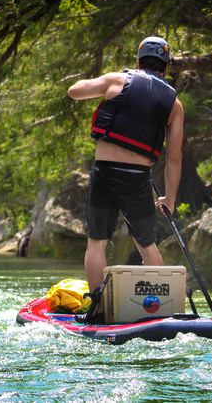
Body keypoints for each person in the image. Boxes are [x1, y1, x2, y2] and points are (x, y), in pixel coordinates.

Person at [67, 36, 184, 320]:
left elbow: (74, 91)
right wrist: (169, 198)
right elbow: (174, 157)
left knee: (97, 242)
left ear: (138, 62)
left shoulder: (116, 81)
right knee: (147, 245)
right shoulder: (174, 104)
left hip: (104, 173)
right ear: (166, 68)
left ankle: (99, 311)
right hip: (136, 178)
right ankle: (160, 308)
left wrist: (109, 79)